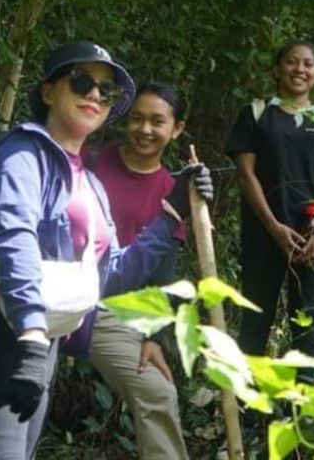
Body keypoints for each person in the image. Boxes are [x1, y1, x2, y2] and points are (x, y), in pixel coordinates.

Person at [0, 42, 211, 460]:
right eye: (81, 82)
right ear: (48, 92)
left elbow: (108, 274)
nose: (95, 95)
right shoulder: (23, 153)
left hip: (40, 349)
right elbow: (15, 237)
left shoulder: (89, 183)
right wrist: (30, 333)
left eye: (106, 90)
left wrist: (175, 212)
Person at [227, 42, 314, 410]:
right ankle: (247, 409)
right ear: (277, 69)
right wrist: (274, 227)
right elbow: (246, 175)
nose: (300, 69)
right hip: (265, 236)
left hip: (312, 239)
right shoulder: (257, 114)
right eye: (292, 62)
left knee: (307, 326)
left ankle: (301, 414)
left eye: (308, 64)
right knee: (255, 321)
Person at [80, 82, 196, 460]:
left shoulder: (172, 190)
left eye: (157, 122)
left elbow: (164, 275)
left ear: (176, 128)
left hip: (115, 313)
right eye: (137, 119)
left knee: (158, 390)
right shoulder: (91, 161)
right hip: (67, 294)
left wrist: (156, 336)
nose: (145, 130)